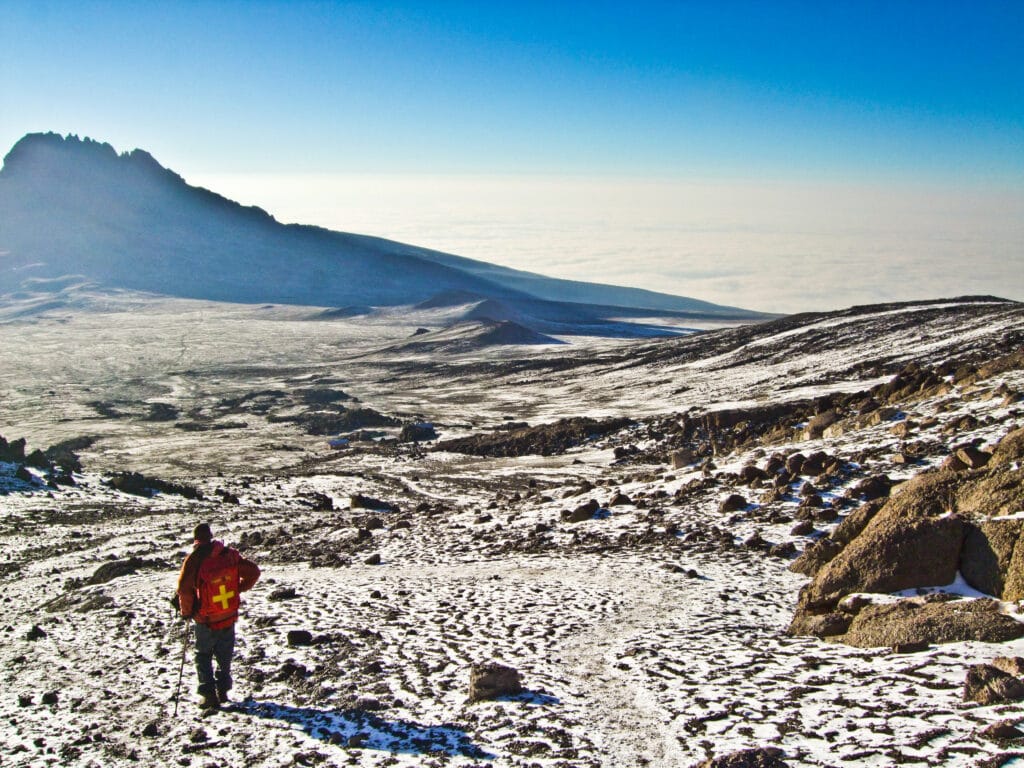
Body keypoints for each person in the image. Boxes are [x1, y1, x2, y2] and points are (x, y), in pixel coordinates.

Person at [176, 523, 260, 709]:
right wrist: (238, 588)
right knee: (225, 653)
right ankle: (223, 690)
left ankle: (208, 695)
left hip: (205, 618)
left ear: (196, 539)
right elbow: (253, 572)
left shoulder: (194, 559)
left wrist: (186, 612)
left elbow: (184, 589)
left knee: (203, 655)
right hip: (228, 613)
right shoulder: (228, 555)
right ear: (211, 536)